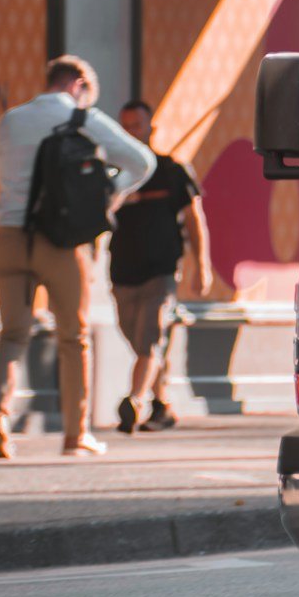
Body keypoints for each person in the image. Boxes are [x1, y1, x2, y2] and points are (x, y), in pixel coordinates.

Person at [0, 56, 154, 459]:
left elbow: (3, 174)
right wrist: (111, 196)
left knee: (12, 334)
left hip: (9, 237)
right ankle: (75, 435)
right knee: (73, 338)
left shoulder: (11, 120)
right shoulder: (83, 118)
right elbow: (143, 161)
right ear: (78, 84)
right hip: (60, 242)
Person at [108, 99, 211, 436]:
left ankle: (134, 402)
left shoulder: (171, 170)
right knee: (137, 338)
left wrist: (201, 265)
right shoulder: (116, 178)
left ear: (150, 128)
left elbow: (194, 218)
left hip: (161, 272)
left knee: (150, 340)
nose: (130, 133)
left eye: (136, 126)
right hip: (123, 273)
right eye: (124, 127)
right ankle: (162, 404)